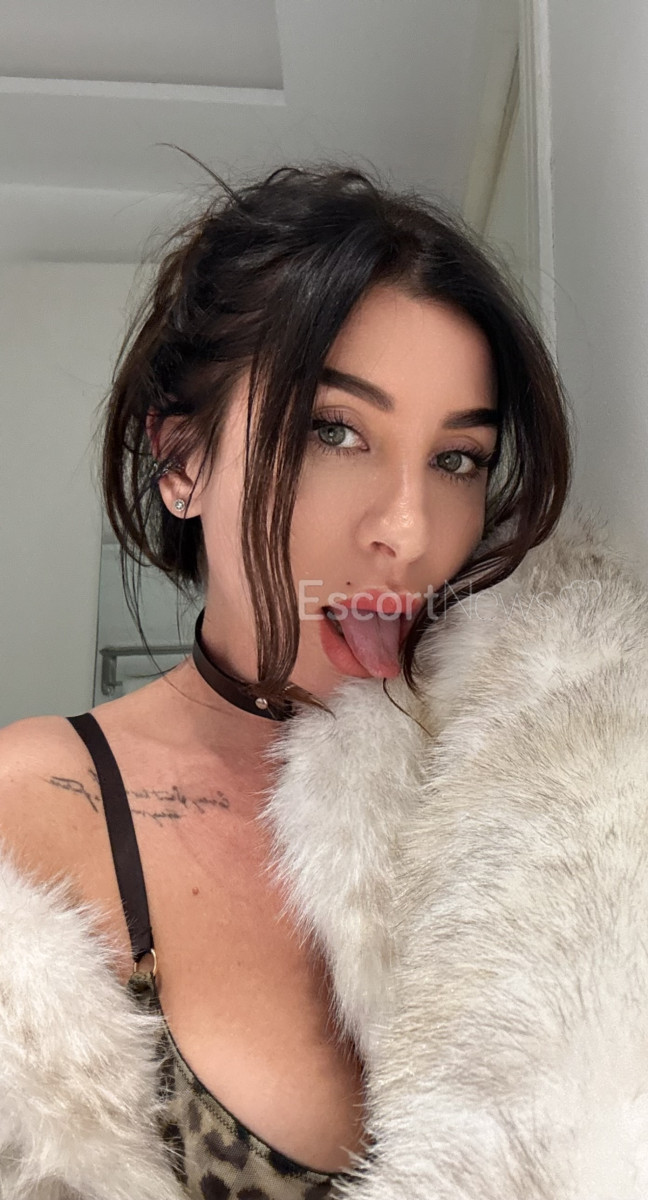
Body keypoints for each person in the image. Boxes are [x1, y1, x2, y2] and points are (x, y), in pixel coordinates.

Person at [0, 163, 572, 1199]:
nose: (408, 532)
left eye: (458, 459)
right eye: (334, 431)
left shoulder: (526, 785)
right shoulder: (31, 805)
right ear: (182, 461)